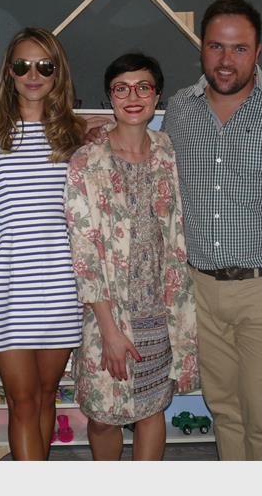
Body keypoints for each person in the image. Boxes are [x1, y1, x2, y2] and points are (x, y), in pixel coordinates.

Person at [161, 0, 262, 460]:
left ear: (258, 51)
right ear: (202, 49)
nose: (226, 60)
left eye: (239, 48)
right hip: (201, 289)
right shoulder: (180, 109)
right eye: (216, 47)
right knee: (224, 409)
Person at [0, 27, 86, 460]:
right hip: (6, 281)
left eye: (44, 66)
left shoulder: (76, 134)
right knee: (22, 400)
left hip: (62, 281)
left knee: (48, 395)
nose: (33, 75)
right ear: (9, 72)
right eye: (23, 65)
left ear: (57, 72)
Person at [66, 52, 199, 461]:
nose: (133, 97)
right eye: (121, 89)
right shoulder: (87, 161)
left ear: (157, 96)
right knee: (103, 415)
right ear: (110, 98)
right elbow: (84, 252)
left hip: (160, 310)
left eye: (143, 87)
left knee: (152, 408)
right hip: (108, 313)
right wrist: (109, 330)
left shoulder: (170, 152)